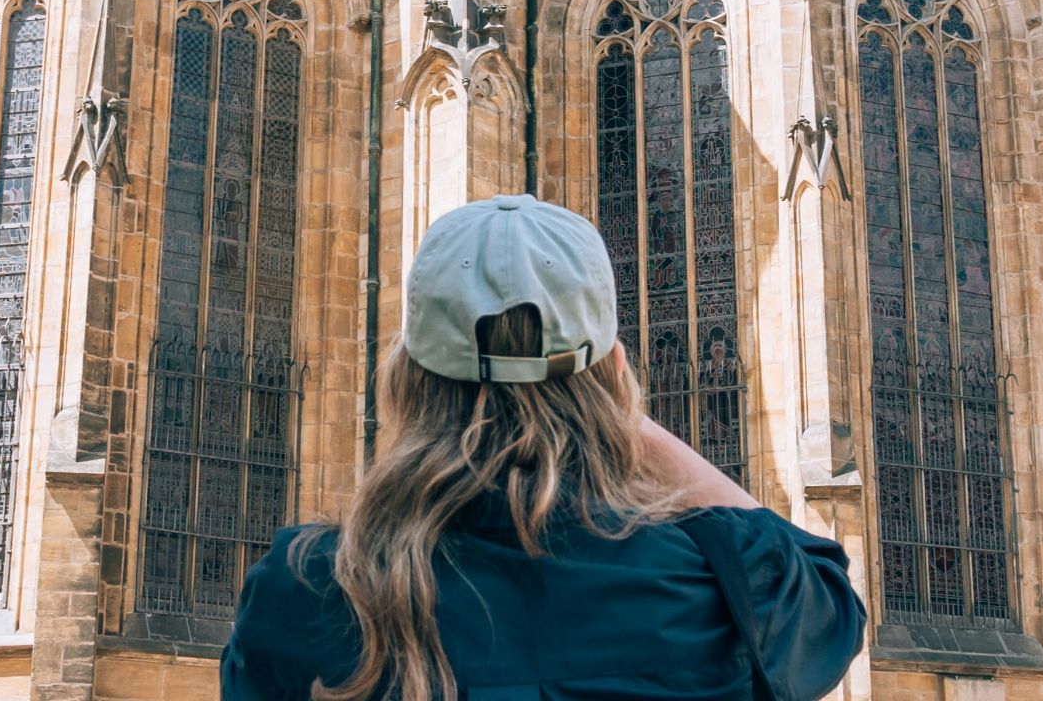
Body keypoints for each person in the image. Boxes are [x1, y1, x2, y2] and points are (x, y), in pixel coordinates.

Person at [221, 195, 866, 700]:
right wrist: (623, 413)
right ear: (613, 373)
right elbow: (824, 602)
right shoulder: (707, 595)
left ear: (409, 378)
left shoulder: (302, 593)